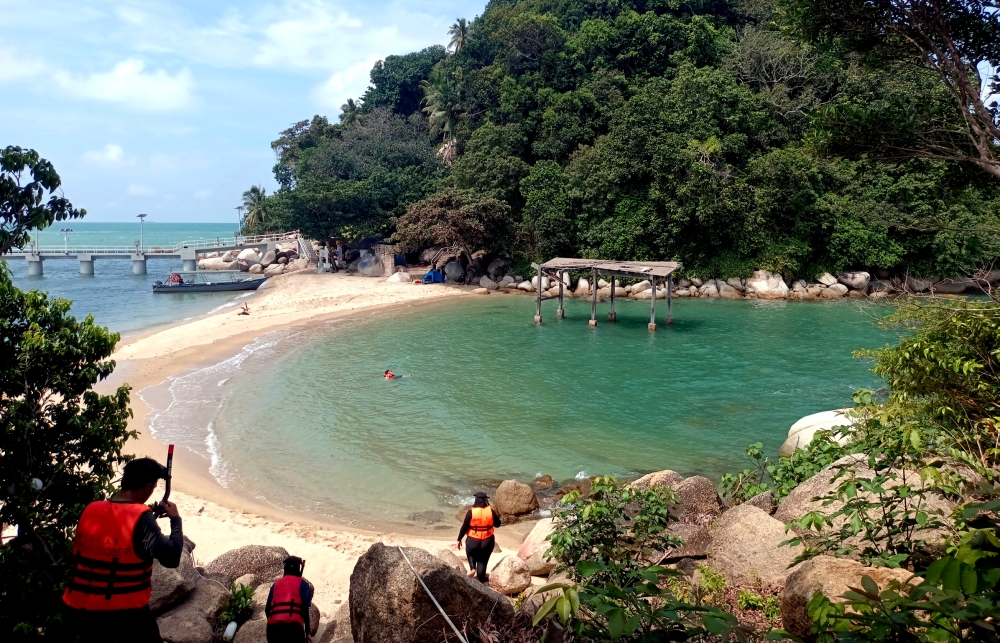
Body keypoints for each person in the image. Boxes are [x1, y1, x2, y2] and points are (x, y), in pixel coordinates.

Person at [62, 457, 183, 643]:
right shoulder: (141, 519)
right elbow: (172, 557)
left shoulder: (91, 510)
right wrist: (175, 520)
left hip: (75, 613)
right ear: (148, 486)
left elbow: (116, 534)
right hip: (123, 617)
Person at [265, 556, 313, 643]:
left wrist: (272, 624)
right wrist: (308, 632)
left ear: (285, 568)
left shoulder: (276, 584)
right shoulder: (303, 584)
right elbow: (305, 609)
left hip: (273, 630)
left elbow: (267, 609)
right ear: (298, 569)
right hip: (294, 629)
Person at [457, 491, 501, 582]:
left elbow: (464, 527)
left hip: (473, 540)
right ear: (485, 500)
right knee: (483, 560)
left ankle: (473, 568)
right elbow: (498, 524)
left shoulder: (471, 512)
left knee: (470, 553)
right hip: (487, 541)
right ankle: (481, 576)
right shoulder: (490, 511)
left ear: (476, 500)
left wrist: (459, 539)